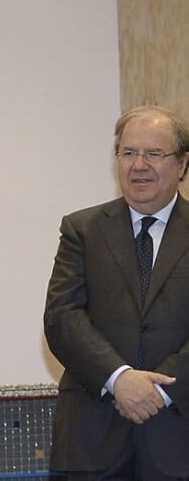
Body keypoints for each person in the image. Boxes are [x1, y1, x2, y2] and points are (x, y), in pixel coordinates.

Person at [44, 105, 189, 480]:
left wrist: (163, 389)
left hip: (178, 435)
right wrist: (119, 377)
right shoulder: (82, 229)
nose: (138, 164)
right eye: (128, 153)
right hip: (91, 439)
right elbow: (63, 318)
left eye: (154, 153)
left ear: (183, 164)